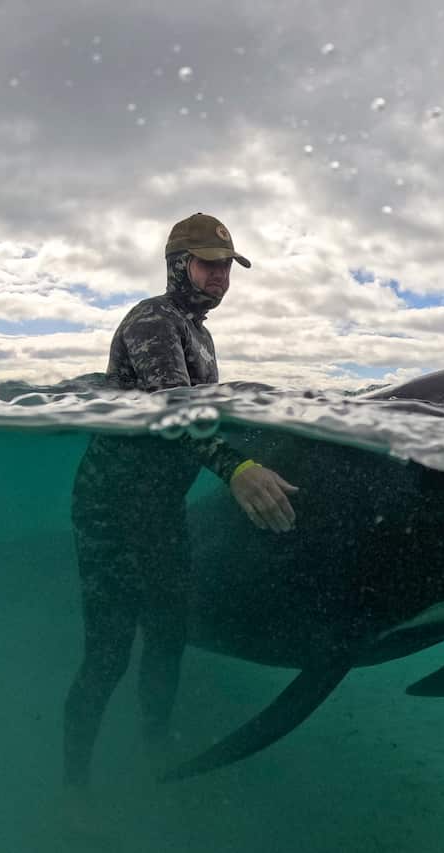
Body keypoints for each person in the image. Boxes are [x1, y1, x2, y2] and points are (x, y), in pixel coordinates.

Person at [62, 213, 298, 802]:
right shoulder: (151, 321)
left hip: (160, 511)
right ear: (177, 264)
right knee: (108, 655)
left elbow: (199, 414)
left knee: (169, 633)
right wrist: (237, 469)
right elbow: (175, 412)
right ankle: (74, 792)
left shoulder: (201, 334)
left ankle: (154, 749)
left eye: (226, 266)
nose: (219, 277)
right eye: (207, 263)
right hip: (112, 511)